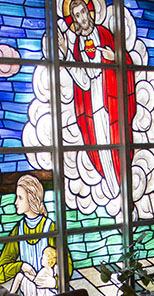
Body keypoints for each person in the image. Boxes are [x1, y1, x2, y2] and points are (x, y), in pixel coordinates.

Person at [57, 0, 137, 194]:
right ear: (74, 20)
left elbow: (127, 64)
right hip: (93, 105)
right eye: (77, 15)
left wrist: (114, 58)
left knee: (117, 147)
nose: (83, 18)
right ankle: (116, 194)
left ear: (90, 11)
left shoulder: (104, 34)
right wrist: (67, 54)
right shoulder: (77, 44)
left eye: (84, 12)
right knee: (102, 149)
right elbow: (83, 81)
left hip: (112, 102)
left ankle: (125, 195)